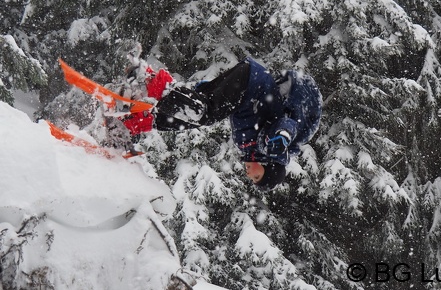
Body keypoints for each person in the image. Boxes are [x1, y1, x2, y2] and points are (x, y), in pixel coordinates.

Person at [119, 56, 322, 191]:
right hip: (251, 85)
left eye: (252, 180)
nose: (250, 175)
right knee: (203, 113)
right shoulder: (271, 150)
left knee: (195, 119)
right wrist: (282, 137)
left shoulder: (251, 148)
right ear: (267, 167)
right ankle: (149, 79)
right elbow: (287, 125)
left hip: (248, 80)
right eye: (257, 177)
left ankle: (139, 120)